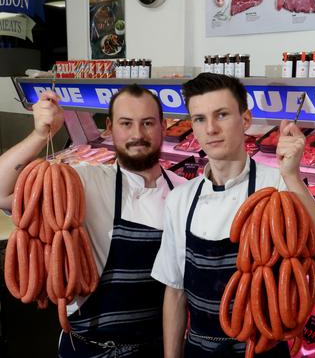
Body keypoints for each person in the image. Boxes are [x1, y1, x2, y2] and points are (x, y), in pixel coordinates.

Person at [151, 73, 315, 357]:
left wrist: (292, 176)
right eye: (200, 119)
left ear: (246, 120)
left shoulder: (278, 185)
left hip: (263, 349)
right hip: (199, 349)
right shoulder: (181, 198)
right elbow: (175, 291)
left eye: (222, 115)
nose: (211, 128)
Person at [0, 84, 185, 357]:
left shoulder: (183, 193)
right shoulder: (84, 180)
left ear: (164, 127)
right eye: (126, 123)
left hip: (155, 348)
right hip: (86, 348)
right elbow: (2, 192)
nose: (137, 134)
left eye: (148, 123)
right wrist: (40, 135)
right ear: (109, 128)